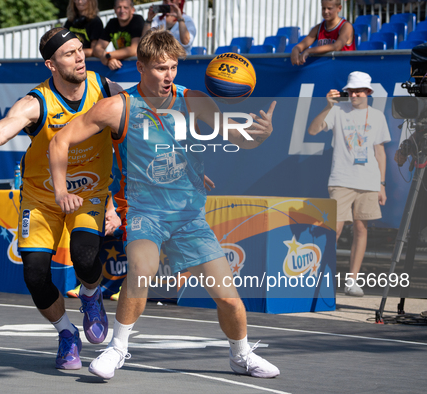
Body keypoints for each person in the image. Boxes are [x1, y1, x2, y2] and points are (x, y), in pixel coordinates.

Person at [49, 29, 279, 380]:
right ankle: (117, 349)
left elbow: (234, 135)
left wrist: (259, 136)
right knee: (142, 271)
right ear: (140, 67)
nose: (168, 75)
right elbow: (61, 140)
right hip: (144, 212)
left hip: (188, 216)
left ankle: (241, 355)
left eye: (172, 67)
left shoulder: (194, 100)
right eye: (159, 68)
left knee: (229, 298)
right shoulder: (118, 107)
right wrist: (62, 189)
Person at [0, 27, 122, 369]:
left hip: (89, 190)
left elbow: (139, 117)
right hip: (42, 196)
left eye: (80, 50)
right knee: (34, 274)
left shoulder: (104, 88)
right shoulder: (37, 102)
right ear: (51, 64)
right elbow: (2, 127)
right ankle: (66, 333)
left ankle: (91, 295)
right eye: (68, 54)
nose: (79, 58)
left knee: (84, 254)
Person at [308, 71, 390, 297]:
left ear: (368, 92)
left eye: (358, 90)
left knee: (361, 229)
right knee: (333, 229)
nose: (353, 94)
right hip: (341, 179)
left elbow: (380, 152)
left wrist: (382, 184)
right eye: (350, 90)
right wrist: (327, 106)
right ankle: (321, 277)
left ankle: (352, 281)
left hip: (369, 181)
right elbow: (313, 130)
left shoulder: (377, 116)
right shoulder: (337, 110)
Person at [291, 0, 355, 66]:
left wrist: (309, 51)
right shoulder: (318, 28)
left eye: (329, 8)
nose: (326, 11)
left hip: (344, 68)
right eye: (323, 8)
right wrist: (295, 49)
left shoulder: (346, 26)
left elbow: (337, 46)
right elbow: (302, 45)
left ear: (339, 8)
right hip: (325, 69)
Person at [94, 0, 145, 71]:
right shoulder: (112, 23)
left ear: (132, 10)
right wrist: (109, 60)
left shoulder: (137, 20)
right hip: (118, 65)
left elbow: (134, 49)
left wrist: (108, 56)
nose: (122, 10)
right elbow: (97, 49)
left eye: (125, 7)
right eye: (119, 7)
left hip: (137, 69)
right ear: (114, 9)